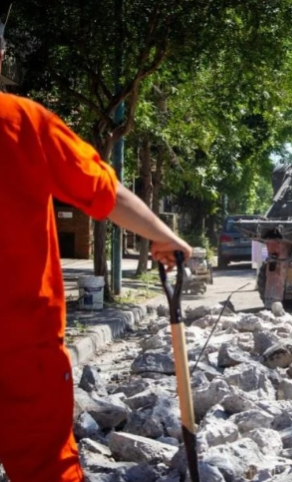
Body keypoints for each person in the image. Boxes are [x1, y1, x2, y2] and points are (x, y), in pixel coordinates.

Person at [0, 23, 192, 482]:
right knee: (46, 469)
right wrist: (162, 235)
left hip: (25, 343)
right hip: (22, 343)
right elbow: (105, 193)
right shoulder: (23, 122)